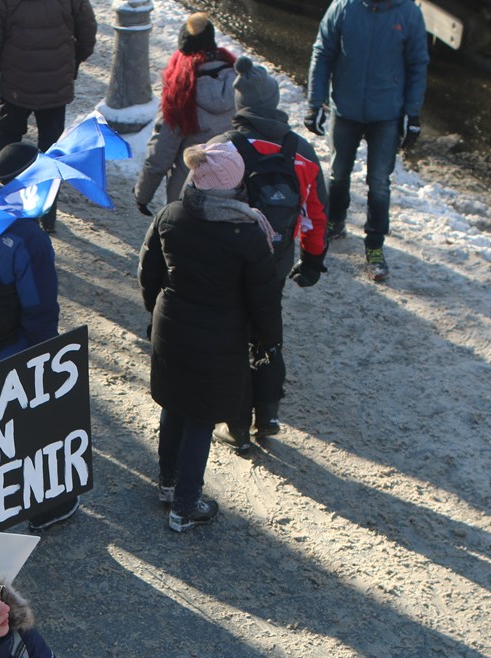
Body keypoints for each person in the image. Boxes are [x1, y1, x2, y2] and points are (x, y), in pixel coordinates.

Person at [138, 143, 281, 532]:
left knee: (174, 406)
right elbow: (264, 298)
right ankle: (185, 508)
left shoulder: (171, 215)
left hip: (171, 327)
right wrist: (267, 340)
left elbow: (148, 272)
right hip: (219, 339)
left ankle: (168, 484)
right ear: (231, 185)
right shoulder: (247, 233)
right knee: (200, 419)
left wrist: (156, 311)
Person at [0, 143, 77, 531]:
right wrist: (47, 363)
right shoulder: (28, 238)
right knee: (29, 432)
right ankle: (45, 507)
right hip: (12, 358)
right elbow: (40, 311)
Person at [208, 55, 329, 450]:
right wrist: (312, 260)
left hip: (230, 261)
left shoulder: (224, 148)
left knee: (232, 334)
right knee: (267, 331)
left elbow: (203, 206)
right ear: (274, 102)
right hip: (275, 259)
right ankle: (269, 412)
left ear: (241, 104)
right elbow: (316, 213)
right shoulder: (301, 151)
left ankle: (236, 424)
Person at [306, 0, 428, 282]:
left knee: (379, 182)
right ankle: (335, 222)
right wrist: (315, 103)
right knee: (338, 173)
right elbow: (322, 53)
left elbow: (417, 65)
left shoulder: (408, 13)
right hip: (345, 109)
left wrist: (412, 114)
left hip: (387, 114)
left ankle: (374, 245)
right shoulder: (343, 7)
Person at [0, 0, 96, 232]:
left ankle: (7, 203)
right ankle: (48, 211)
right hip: (55, 84)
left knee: (7, 143)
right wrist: (73, 61)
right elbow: (87, 31)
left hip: (16, 84)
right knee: (52, 150)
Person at [133, 13, 236, 214]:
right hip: (232, 188)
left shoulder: (180, 94)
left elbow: (160, 156)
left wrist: (142, 195)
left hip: (188, 194)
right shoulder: (238, 81)